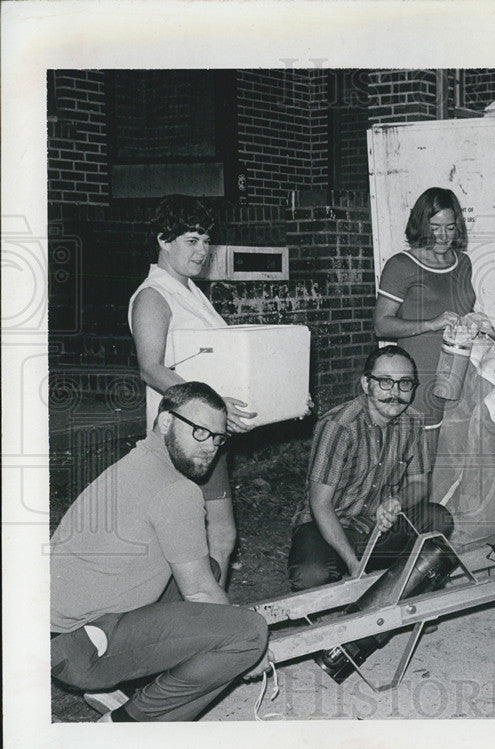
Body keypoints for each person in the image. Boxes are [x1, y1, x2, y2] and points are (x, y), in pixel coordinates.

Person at [49, 383, 269, 721]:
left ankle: (120, 686)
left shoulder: (137, 463)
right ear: (165, 422)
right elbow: (198, 592)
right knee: (247, 635)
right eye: (199, 432)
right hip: (81, 647)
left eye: (217, 437)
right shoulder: (176, 490)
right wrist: (256, 655)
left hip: (61, 637)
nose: (210, 446)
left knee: (206, 567)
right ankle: (129, 721)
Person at [286, 345, 456, 679]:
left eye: (405, 384)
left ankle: (405, 593)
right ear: (366, 384)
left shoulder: (413, 422)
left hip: (378, 524)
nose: (395, 392)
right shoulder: (339, 426)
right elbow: (320, 505)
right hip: (331, 524)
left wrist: (397, 502)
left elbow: (420, 482)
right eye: (385, 382)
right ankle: (361, 594)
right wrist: (352, 565)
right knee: (310, 575)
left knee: (437, 521)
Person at [128, 195, 256, 588]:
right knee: (194, 545)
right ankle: (200, 621)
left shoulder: (189, 291)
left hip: (204, 434)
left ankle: (208, 620)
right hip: (181, 437)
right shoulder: (154, 295)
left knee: (220, 536)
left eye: (206, 241)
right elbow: (150, 367)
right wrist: (210, 408)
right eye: (191, 240)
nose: (202, 251)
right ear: (163, 241)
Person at [373, 187, 480, 461]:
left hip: (461, 374)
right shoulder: (401, 265)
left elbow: (463, 310)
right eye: (435, 228)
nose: (443, 237)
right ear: (421, 225)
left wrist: (476, 321)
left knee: (459, 459)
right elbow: (381, 326)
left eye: (450, 227)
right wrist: (431, 323)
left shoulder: (463, 263)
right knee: (422, 464)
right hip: (422, 377)